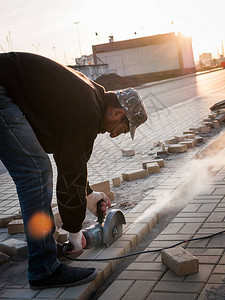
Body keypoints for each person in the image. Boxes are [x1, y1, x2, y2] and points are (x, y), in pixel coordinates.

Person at [0, 52, 148, 289]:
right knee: (36, 172)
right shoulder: (87, 110)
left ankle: (44, 254)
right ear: (118, 113)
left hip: (6, 87)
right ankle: (44, 269)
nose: (115, 134)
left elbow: (71, 160)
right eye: (123, 128)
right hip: (2, 90)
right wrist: (74, 232)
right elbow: (71, 171)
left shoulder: (90, 97)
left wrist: (88, 195)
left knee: (36, 170)